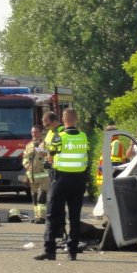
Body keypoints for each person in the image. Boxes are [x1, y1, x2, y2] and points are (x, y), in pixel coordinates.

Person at [35, 108, 89, 261]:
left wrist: (44, 155)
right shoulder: (84, 137)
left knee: (52, 214)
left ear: (63, 120)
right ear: (76, 119)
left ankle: (49, 250)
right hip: (79, 180)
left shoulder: (59, 137)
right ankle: (72, 251)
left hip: (61, 179)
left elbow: (50, 156)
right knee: (75, 216)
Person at [22, 125, 49, 224]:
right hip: (32, 175)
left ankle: (42, 217)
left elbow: (49, 156)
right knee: (34, 196)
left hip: (43, 175)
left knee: (42, 196)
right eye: (32, 132)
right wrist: (26, 165)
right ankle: (37, 216)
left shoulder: (45, 144)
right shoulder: (29, 145)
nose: (34, 134)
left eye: (36, 132)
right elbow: (25, 157)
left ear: (41, 132)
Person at [95, 125, 126, 190]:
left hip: (111, 175)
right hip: (109, 175)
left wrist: (103, 168)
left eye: (106, 134)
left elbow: (114, 159)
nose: (105, 136)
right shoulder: (112, 143)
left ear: (112, 134)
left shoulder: (115, 143)